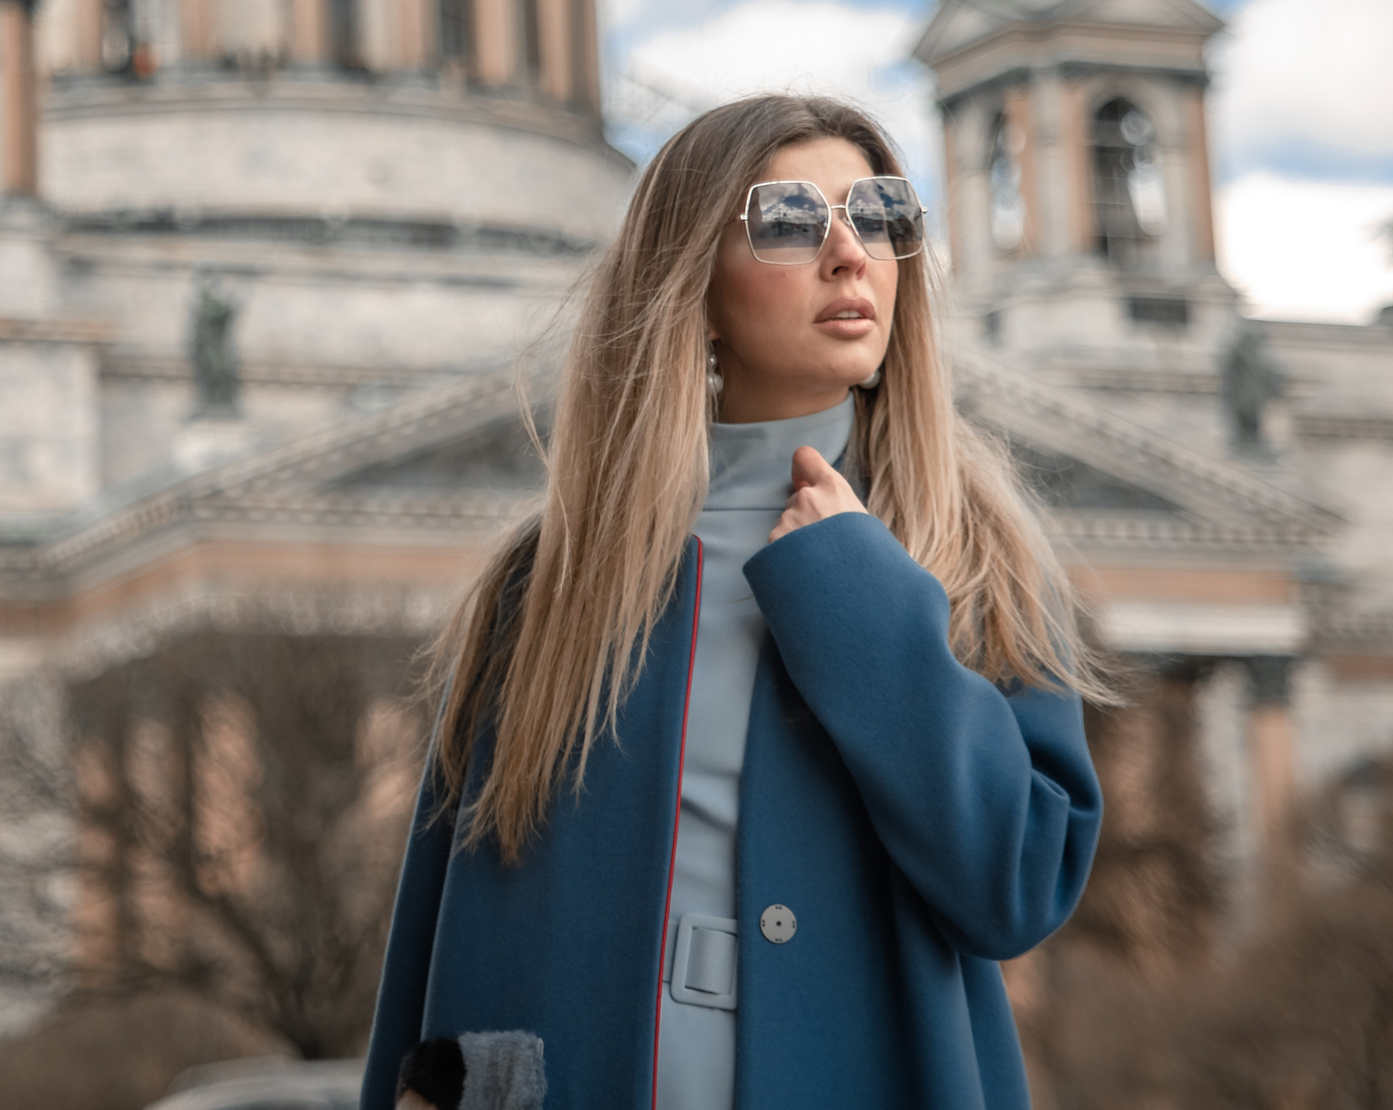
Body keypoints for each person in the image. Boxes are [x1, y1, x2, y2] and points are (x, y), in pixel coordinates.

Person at [362, 93, 1108, 1110]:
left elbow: (1016, 885)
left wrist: (864, 601)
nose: (850, 254)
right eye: (791, 220)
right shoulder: (546, 582)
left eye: (881, 214)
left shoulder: (976, 556)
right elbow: (433, 934)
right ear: (693, 278)